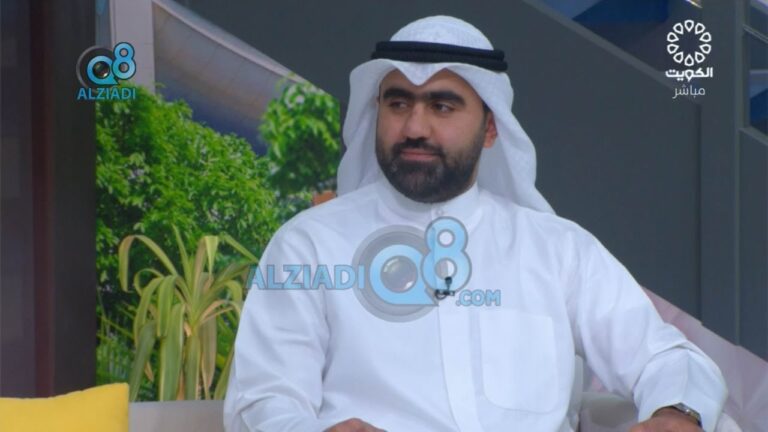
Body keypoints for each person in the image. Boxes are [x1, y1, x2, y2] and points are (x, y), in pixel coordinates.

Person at [224, 15, 727, 432]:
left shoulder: (559, 250)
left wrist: (676, 413)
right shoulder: (309, 245)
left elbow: (664, 358)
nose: (414, 127)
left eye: (442, 106)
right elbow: (264, 399)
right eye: (398, 103)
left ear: (490, 128)